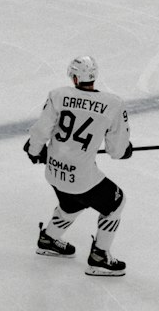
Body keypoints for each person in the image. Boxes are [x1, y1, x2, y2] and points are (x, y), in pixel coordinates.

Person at [23, 54, 132, 278]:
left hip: (53, 172)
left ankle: (49, 239)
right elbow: (116, 151)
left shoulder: (58, 96)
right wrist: (125, 150)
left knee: (71, 203)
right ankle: (100, 256)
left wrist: (35, 151)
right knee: (115, 202)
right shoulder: (113, 104)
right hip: (82, 178)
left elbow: (40, 131)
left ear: (73, 77)